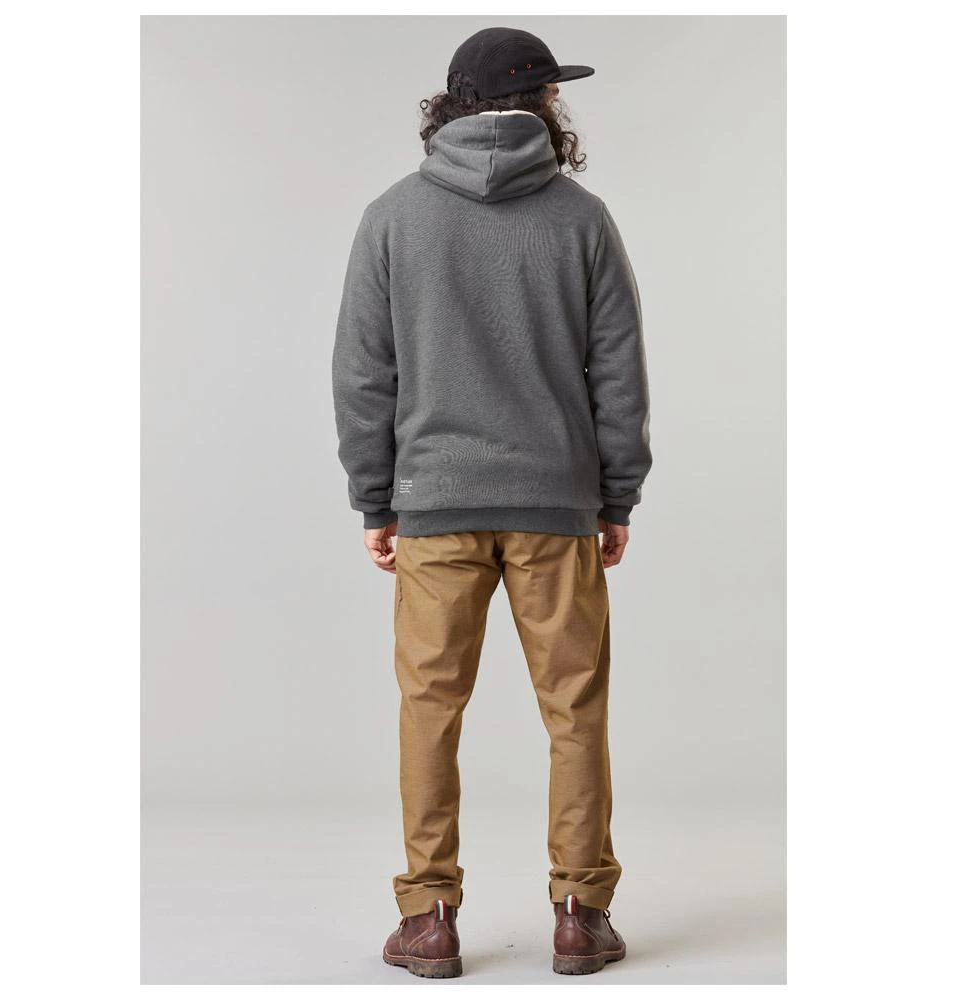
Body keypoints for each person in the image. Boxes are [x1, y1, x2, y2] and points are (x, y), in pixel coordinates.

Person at [332, 26, 651, 979]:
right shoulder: (581, 218)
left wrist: (376, 499)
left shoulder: (393, 218)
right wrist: (617, 494)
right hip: (557, 505)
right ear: (543, 105)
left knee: (430, 708)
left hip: (435, 505)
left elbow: (363, 375)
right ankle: (580, 914)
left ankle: (428, 917)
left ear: (453, 107)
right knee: (575, 707)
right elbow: (619, 371)